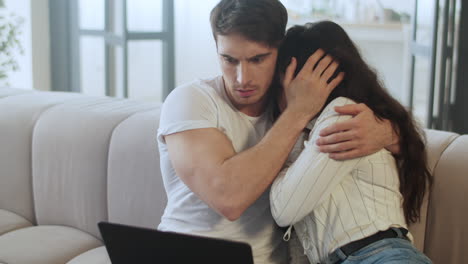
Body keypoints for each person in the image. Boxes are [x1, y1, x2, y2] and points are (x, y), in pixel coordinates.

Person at [157, 1, 400, 263]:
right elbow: (229, 198)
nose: (242, 78)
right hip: (182, 254)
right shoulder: (192, 100)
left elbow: (394, 128)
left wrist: (390, 132)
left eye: (258, 59)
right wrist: (298, 112)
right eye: (229, 59)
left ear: (280, 52)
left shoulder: (293, 107)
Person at [270, 21, 433, 264]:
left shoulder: (344, 115)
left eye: (281, 80)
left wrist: (293, 116)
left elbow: (284, 210)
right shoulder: (312, 131)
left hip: (380, 256)